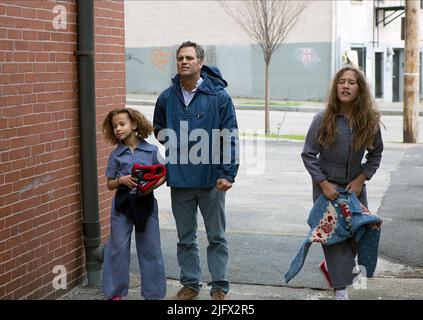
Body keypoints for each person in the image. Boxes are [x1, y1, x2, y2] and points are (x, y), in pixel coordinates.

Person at [153, 41, 239, 300]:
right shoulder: (167, 97)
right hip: (180, 179)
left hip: (212, 179)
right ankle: (190, 283)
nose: (184, 62)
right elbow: (159, 128)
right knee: (185, 237)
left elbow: (230, 136)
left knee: (216, 236)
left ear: (200, 63)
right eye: (180, 58)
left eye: (189, 58)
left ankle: (219, 286)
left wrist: (227, 173)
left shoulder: (219, 97)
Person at [301, 65, 383, 300]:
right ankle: (340, 290)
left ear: (360, 90)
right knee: (334, 239)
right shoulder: (322, 119)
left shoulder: (369, 121)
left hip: (355, 190)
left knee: (357, 236)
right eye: (341, 81)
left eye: (351, 82)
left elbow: (376, 154)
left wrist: (361, 178)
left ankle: (332, 271)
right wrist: (323, 184)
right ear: (335, 87)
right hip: (327, 190)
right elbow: (308, 154)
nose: (345, 86)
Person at [101, 108, 167, 300]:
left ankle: (153, 295)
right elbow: (109, 184)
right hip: (122, 205)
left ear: (134, 125)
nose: (118, 129)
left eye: (122, 124)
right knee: (117, 249)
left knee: (150, 249)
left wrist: (150, 186)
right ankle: (115, 293)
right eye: (114, 126)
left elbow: (163, 174)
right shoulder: (116, 155)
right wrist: (121, 180)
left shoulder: (152, 150)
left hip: (145, 203)